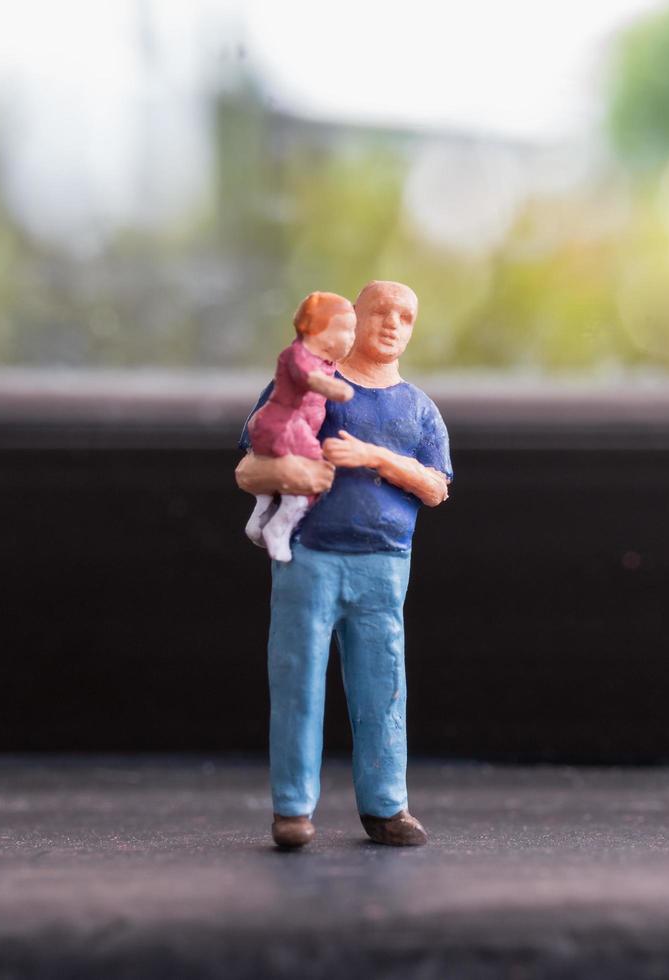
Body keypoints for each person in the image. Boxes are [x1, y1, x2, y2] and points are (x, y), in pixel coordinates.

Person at [235, 280, 452, 849]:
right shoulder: (310, 385)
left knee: (383, 686)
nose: (391, 324)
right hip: (310, 557)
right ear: (353, 317)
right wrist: (296, 476)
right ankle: (292, 809)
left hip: (385, 564)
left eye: (406, 316)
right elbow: (248, 471)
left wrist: (375, 456)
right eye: (380, 312)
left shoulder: (419, 409)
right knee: (298, 682)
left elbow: (435, 488)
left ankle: (386, 806)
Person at [243, 292, 356, 563]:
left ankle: (261, 514)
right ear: (321, 332)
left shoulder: (329, 361)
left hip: (290, 428)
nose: (353, 338)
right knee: (315, 478)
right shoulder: (297, 355)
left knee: (293, 479)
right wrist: (333, 387)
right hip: (286, 427)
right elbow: (308, 377)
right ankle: (277, 527)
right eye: (348, 331)